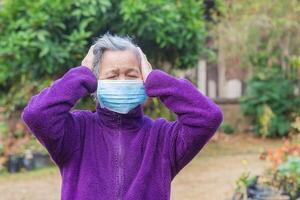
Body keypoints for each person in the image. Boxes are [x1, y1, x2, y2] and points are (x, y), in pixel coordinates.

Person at [21, 33, 223, 200]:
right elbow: (36, 114)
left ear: (144, 81)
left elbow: (208, 116)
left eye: (132, 74)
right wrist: (81, 74)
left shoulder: (162, 138)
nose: (122, 80)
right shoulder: (76, 131)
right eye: (112, 75)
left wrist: (156, 79)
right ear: (94, 81)